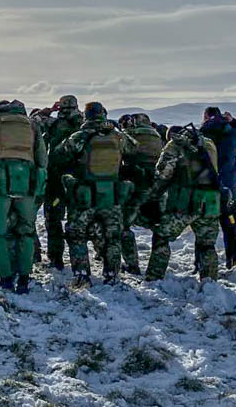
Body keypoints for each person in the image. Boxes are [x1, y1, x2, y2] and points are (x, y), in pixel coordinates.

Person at [53, 102, 135, 287]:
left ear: (86, 116)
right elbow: (134, 149)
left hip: (85, 195)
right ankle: (112, 273)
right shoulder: (118, 136)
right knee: (112, 235)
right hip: (111, 194)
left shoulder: (81, 136)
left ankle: (82, 274)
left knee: (77, 234)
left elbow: (59, 154)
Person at [0, 99, 48, 293]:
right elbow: (42, 158)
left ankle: (4, 278)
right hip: (26, 183)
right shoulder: (32, 125)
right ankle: (24, 278)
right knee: (26, 232)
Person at [147, 125, 222, 281]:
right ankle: (210, 280)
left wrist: (154, 196)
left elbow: (163, 174)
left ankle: (154, 278)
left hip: (185, 202)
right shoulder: (208, 143)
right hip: (211, 200)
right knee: (207, 244)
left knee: (162, 236)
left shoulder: (175, 144)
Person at [31, 95, 83, 271]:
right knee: (77, 223)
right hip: (80, 180)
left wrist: (47, 111)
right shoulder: (85, 124)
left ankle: (56, 259)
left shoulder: (53, 123)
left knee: (53, 220)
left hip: (56, 179)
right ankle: (80, 263)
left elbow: (32, 122)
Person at [201, 107, 236, 267]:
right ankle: (234, 259)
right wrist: (234, 121)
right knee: (231, 226)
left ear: (205, 117)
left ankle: (202, 264)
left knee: (203, 230)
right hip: (229, 190)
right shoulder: (232, 134)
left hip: (207, 190)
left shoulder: (201, 134)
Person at [119, 113, 165, 275]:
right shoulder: (158, 137)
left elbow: (122, 154)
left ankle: (132, 265)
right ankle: (157, 269)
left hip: (136, 185)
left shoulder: (130, 135)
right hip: (158, 186)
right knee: (159, 227)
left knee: (124, 226)